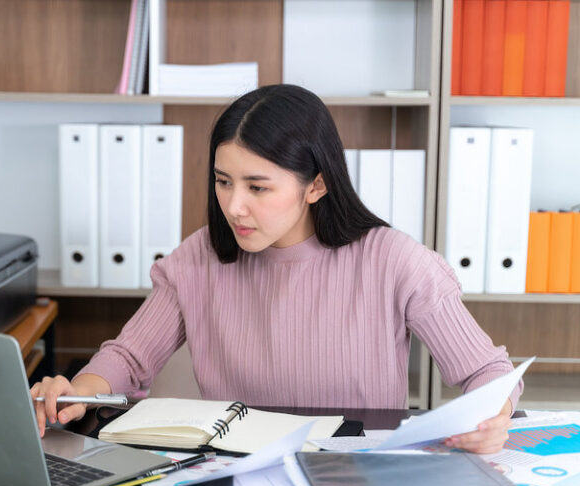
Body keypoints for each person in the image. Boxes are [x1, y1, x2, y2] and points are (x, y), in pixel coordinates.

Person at [32, 84, 520, 454]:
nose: (233, 206)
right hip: (234, 475)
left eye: (257, 187)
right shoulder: (200, 258)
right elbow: (129, 357)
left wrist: (492, 418)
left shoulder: (394, 261)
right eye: (223, 181)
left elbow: (488, 372)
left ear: (316, 186)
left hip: (357, 480)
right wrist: (79, 392)